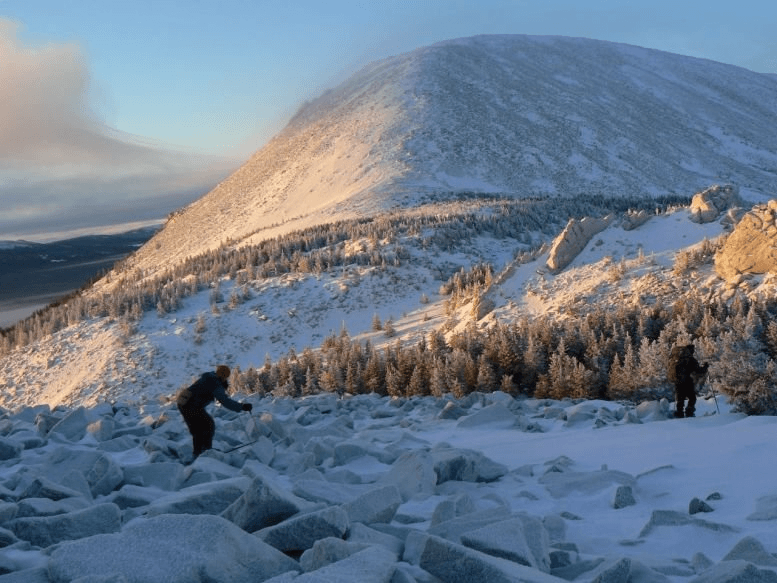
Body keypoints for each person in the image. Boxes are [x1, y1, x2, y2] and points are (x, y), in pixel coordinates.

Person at [176, 365, 253, 459]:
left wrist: (221, 386)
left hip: (186, 402)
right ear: (224, 376)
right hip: (189, 405)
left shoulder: (211, 377)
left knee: (204, 425)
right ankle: (201, 453)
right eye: (226, 377)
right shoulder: (215, 383)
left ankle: (203, 451)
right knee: (202, 427)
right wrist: (242, 407)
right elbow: (225, 401)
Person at [668, 344, 708, 418]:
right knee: (692, 398)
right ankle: (689, 413)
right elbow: (699, 371)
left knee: (680, 398)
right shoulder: (691, 359)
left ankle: (679, 413)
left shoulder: (677, 358)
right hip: (687, 381)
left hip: (677, 381)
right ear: (691, 350)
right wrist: (705, 367)